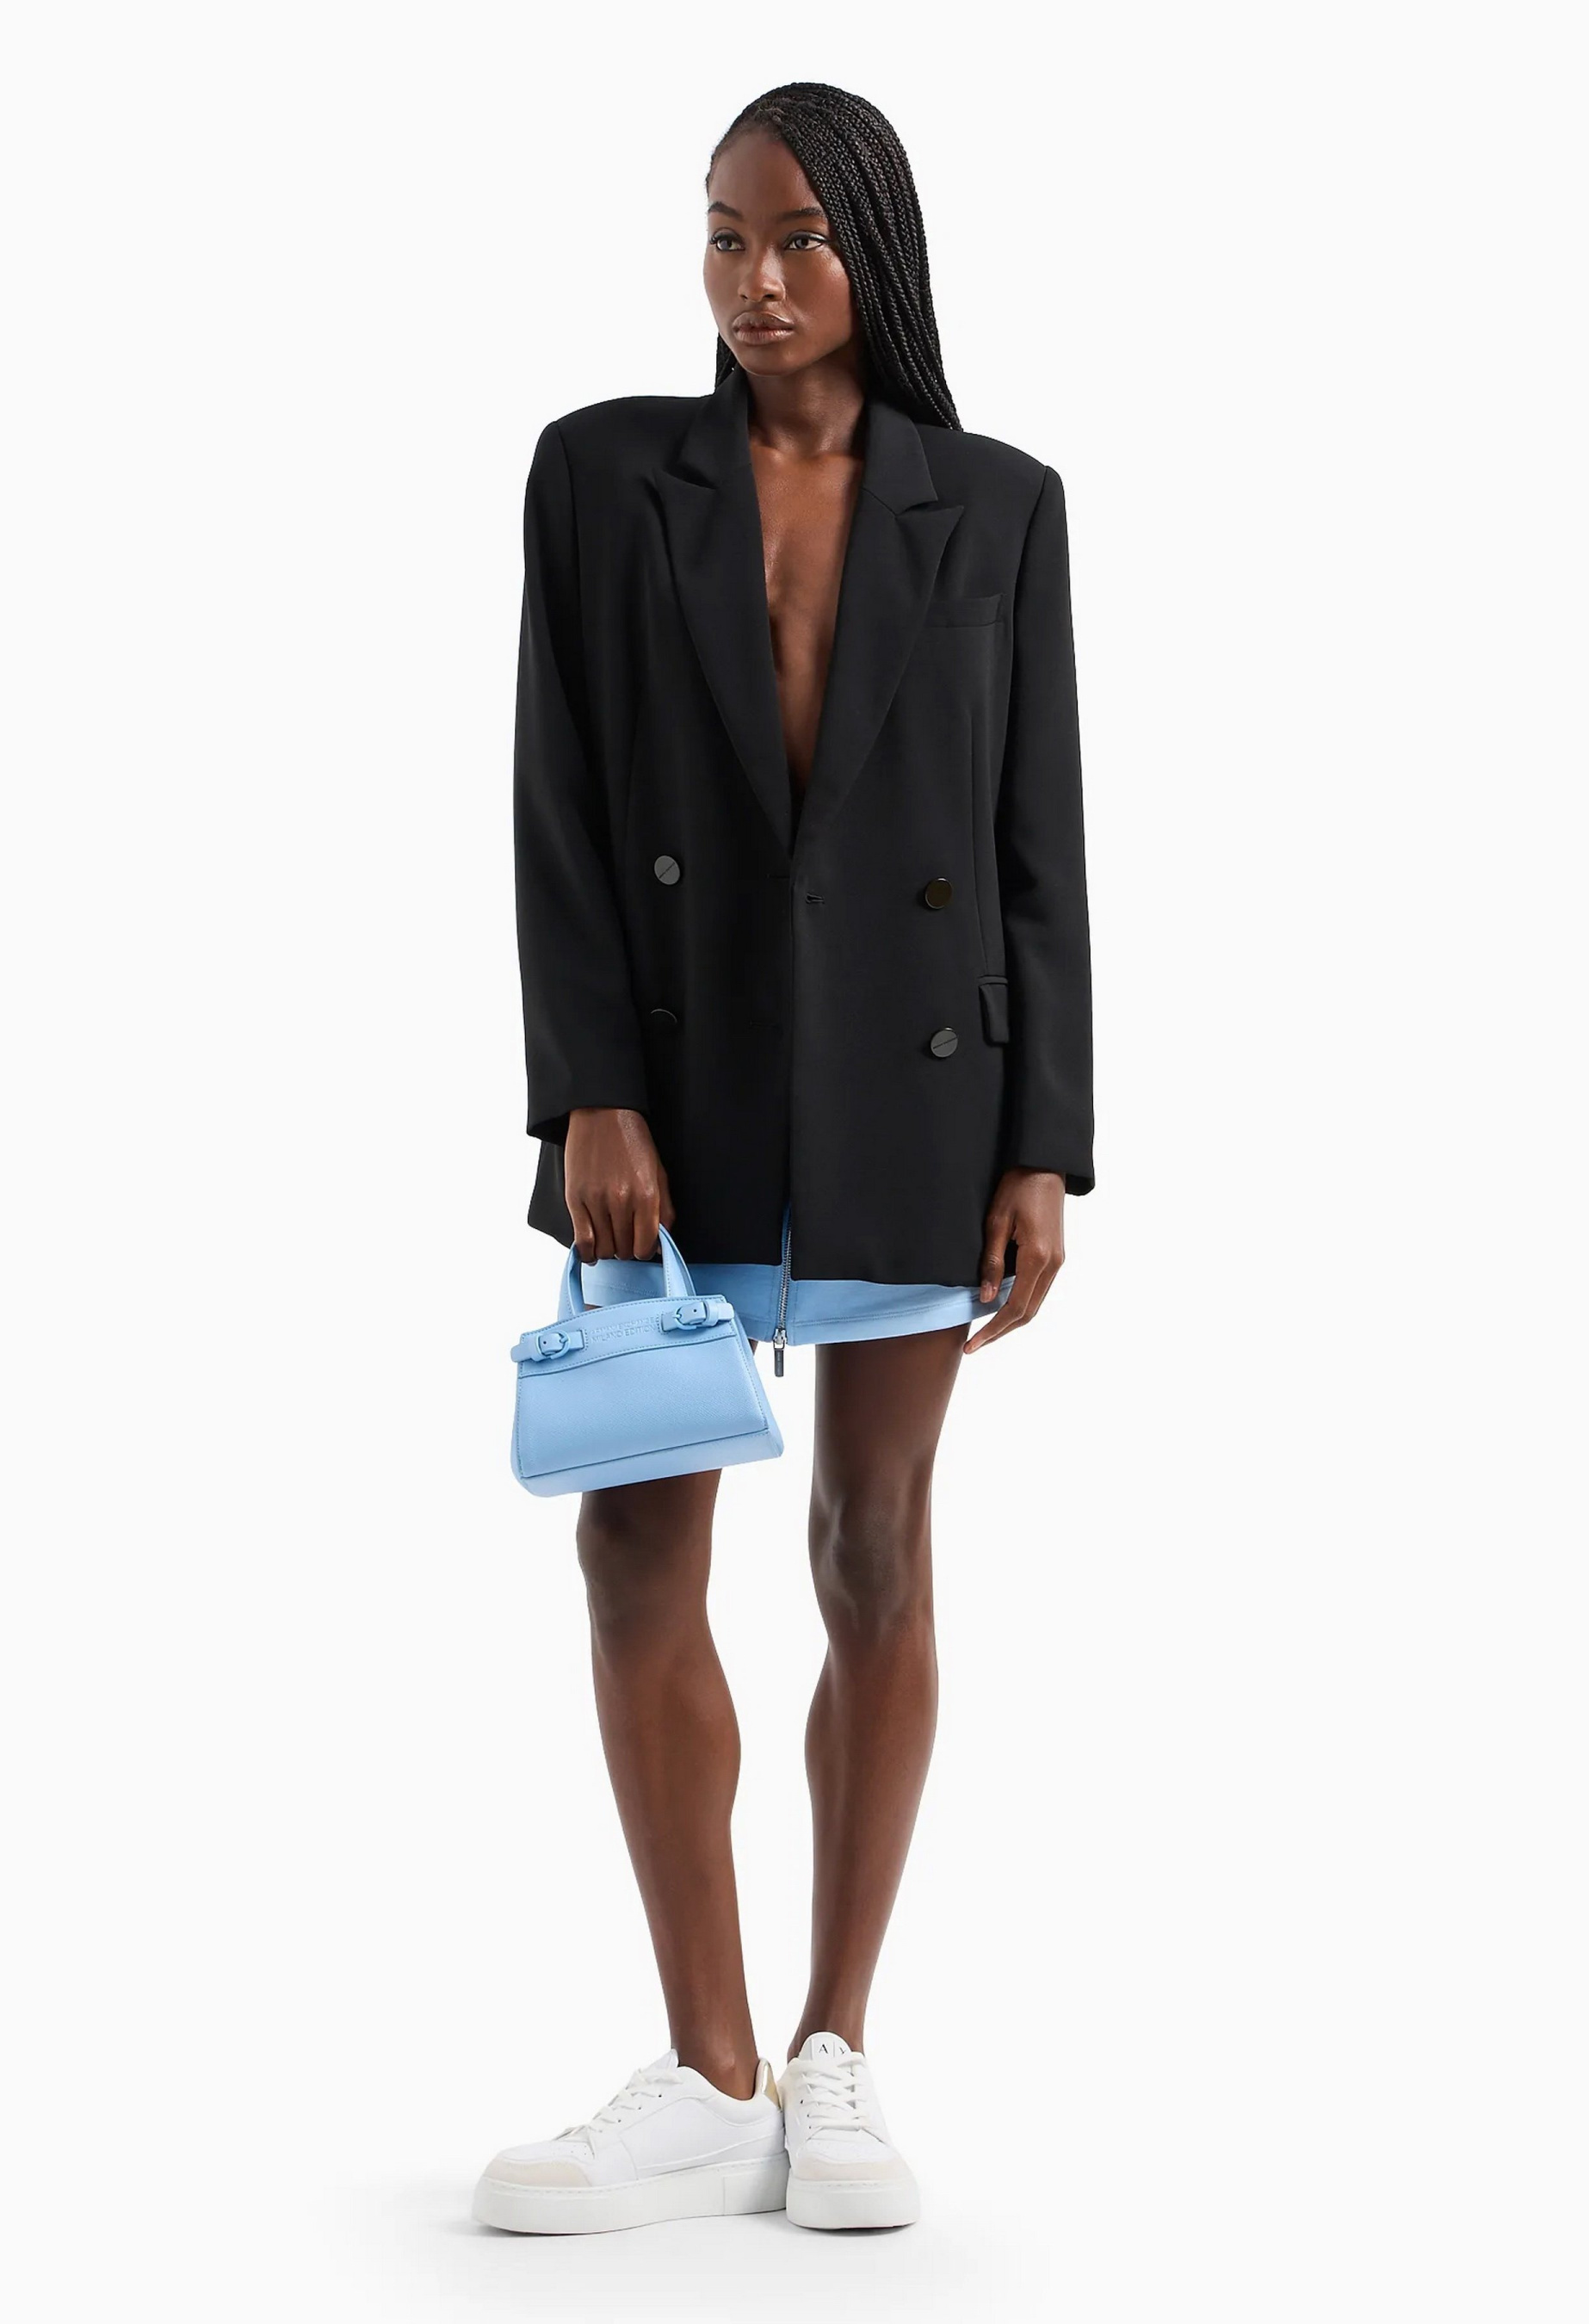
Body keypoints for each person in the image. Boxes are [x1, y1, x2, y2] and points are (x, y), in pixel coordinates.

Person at [474, 81, 1093, 2237]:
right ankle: (706, 2065)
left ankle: (835, 2050)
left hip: (919, 1095)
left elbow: (1035, 846)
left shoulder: (996, 506)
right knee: (634, 1552)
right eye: (725, 236)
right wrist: (586, 1091)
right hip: (673, 1104)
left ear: (875, 254)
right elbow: (554, 799)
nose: (755, 280)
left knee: (872, 1552)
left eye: (799, 239)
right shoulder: (598, 475)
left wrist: (1044, 1143)